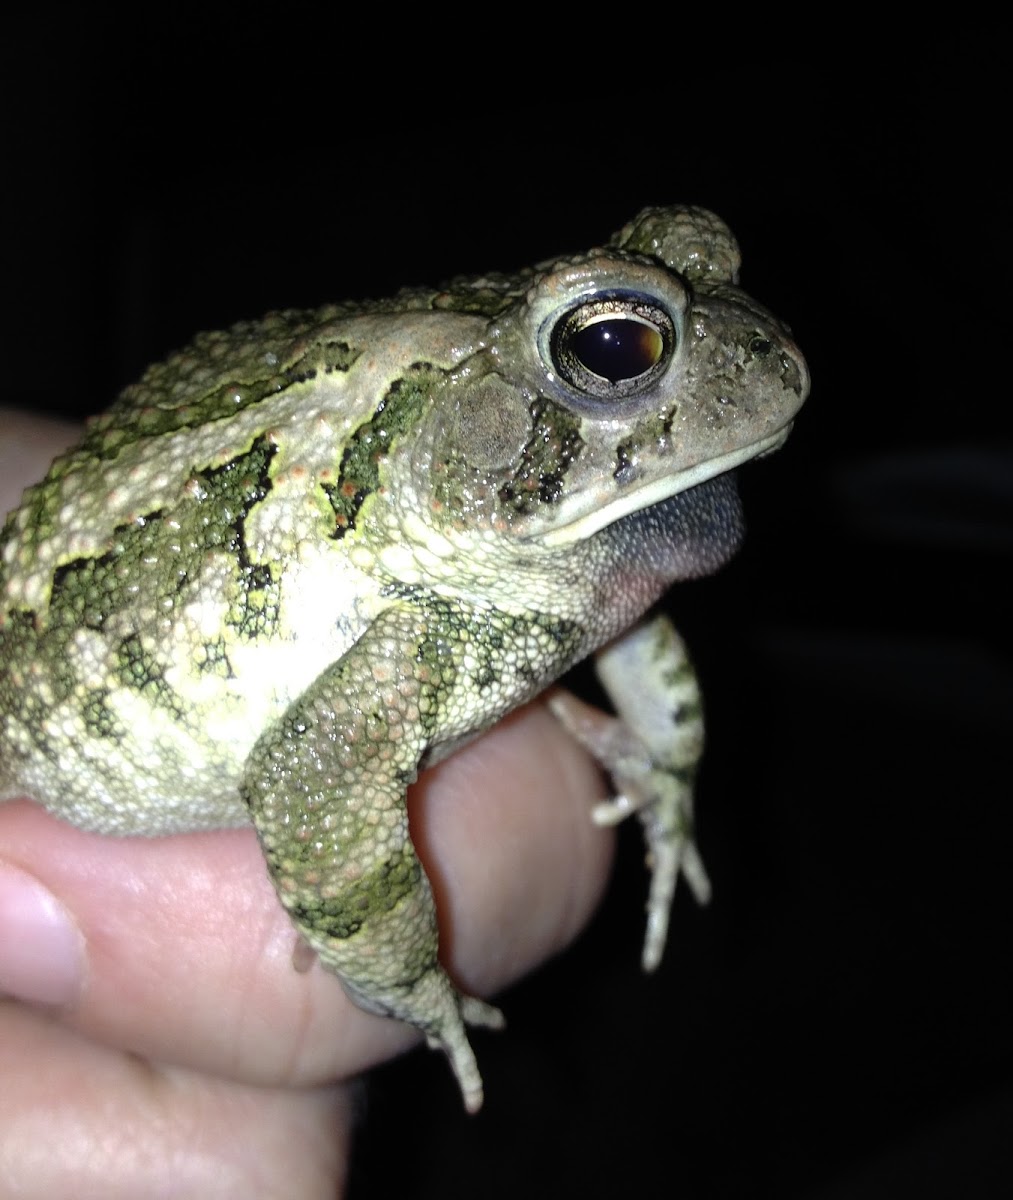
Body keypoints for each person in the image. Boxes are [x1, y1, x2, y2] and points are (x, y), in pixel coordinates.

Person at [0, 410, 615, 1197]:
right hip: (46, 649)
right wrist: (401, 969)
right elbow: (308, 779)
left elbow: (625, 596)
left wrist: (660, 753)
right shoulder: (417, 598)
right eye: (616, 347)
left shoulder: (538, 546)